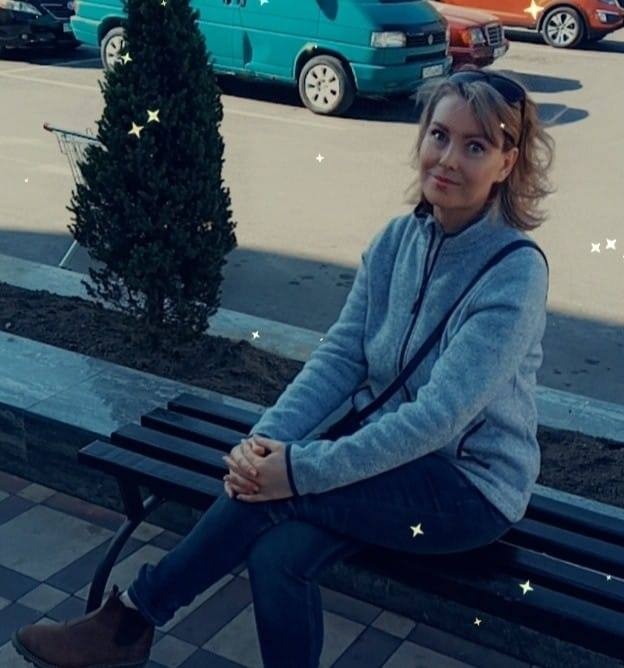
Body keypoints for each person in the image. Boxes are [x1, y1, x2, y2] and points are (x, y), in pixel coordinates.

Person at [13, 65, 556, 668]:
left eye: (475, 146)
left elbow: (438, 419)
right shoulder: (396, 242)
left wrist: (296, 471)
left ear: (507, 163)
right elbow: (341, 358)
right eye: (439, 135)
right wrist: (263, 444)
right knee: (277, 554)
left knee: (274, 497)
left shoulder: (514, 272)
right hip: (384, 459)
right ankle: (127, 628)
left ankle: (132, 620)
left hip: (466, 488)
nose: (448, 159)